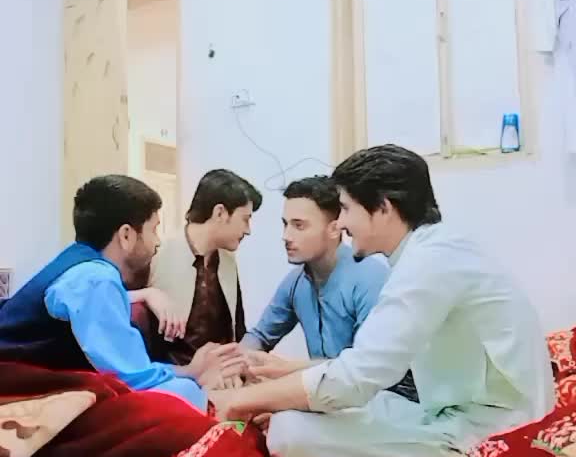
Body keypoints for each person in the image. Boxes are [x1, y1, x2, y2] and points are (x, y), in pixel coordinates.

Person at [214, 145, 555, 457]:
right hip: (444, 409)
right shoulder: (427, 253)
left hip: (490, 425)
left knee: (291, 433)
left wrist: (244, 399)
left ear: (383, 208)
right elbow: (351, 368)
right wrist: (273, 382)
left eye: (346, 209)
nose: (341, 223)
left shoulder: (426, 263)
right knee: (297, 413)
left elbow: (358, 375)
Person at [0, 175, 246, 409]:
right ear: (126, 235)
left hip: (29, 376)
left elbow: (132, 366)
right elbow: (133, 379)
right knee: (187, 397)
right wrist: (196, 381)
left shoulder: (82, 265)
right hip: (15, 386)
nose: (157, 242)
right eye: (153, 230)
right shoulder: (96, 279)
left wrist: (189, 371)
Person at [241, 176, 416, 399]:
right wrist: (239, 361)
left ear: (334, 229)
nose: (286, 236)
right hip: (333, 397)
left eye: (299, 226)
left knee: (280, 414)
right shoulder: (296, 282)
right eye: (285, 224)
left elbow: (367, 368)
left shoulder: (369, 279)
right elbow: (260, 337)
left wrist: (286, 369)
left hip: (388, 399)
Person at [134, 169, 261, 366]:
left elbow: (237, 328)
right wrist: (148, 294)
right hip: (171, 375)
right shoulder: (158, 254)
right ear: (220, 213)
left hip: (224, 373)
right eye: (245, 219)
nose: (248, 230)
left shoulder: (227, 260)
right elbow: (114, 299)